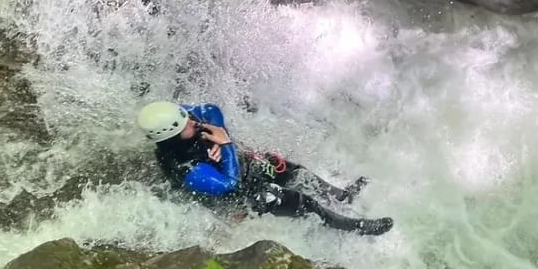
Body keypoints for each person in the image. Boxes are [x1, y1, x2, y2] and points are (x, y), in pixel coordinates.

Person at [136, 101, 393, 236]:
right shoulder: (185, 169)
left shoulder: (183, 122)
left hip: (246, 167)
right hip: (240, 197)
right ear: (172, 137)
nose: (193, 119)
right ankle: (353, 227)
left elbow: (210, 110)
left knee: (296, 173)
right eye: (188, 124)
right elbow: (229, 184)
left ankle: (341, 197)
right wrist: (224, 145)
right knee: (302, 202)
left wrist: (219, 140)